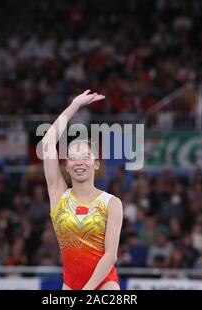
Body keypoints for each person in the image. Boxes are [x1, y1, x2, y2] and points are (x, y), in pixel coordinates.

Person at [41, 90, 123, 290]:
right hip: (70, 284)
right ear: (67, 166)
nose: (79, 162)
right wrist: (74, 105)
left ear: (96, 164)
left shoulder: (112, 203)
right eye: (72, 158)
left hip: (104, 284)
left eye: (85, 157)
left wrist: (87, 291)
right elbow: (47, 143)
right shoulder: (58, 195)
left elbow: (111, 255)